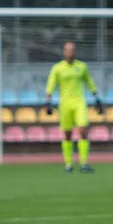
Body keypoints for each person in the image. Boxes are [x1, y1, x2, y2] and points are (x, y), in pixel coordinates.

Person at [45, 41, 102, 173]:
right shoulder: (57, 68)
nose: (70, 52)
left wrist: (96, 97)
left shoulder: (82, 67)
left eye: (72, 50)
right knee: (67, 134)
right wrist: (48, 101)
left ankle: (83, 163)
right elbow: (51, 84)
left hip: (79, 103)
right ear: (64, 52)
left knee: (83, 129)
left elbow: (89, 81)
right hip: (64, 104)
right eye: (67, 50)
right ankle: (68, 163)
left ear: (75, 52)